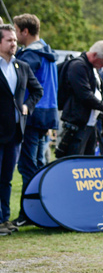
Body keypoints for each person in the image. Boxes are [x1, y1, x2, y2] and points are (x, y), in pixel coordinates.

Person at [12, 14, 58, 227]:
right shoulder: (47, 51)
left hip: (32, 114)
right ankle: (40, 210)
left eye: (16, 30)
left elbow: (19, 83)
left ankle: (28, 213)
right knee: (39, 163)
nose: (14, 34)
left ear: (25, 32)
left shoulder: (31, 55)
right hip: (47, 114)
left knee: (28, 165)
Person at [0, 24, 43, 235]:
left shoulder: (22, 66)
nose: (14, 43)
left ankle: (4, 219)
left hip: (15, 132)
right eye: (9, 40)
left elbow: (38, 90)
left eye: (15, 40)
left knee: (6, 178)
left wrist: (28, 106)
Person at [55, 41, 103, 158]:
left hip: (90, 124)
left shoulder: (93, 69)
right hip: (77, 123)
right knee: (74, 161)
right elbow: (84, 94)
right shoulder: (78, 66)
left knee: (88, 162)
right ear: (94, 55)